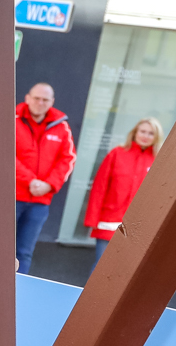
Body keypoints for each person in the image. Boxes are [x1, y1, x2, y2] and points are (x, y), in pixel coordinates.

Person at [14, 81, 75, 273]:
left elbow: (68, 159)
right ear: (27, 98)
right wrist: (30, 180)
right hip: (11, 197)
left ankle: (16, 293)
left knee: (24, 252)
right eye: (37, 98)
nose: (40, 103)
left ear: (52, 102)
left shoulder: (62, 127)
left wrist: (49, 185)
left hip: (40, 201)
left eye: (45, 100)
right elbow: (4, 154)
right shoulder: (11, 120)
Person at [83, 117, 160, 264]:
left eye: (151, 133)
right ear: (135, 132)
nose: (145, 136)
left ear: (156, 137)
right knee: (101, 268)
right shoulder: (117, 154)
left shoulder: (159, 160)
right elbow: (99, 188)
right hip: (109, 221)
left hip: (139, 227)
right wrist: (92, 219)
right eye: (142, 131)